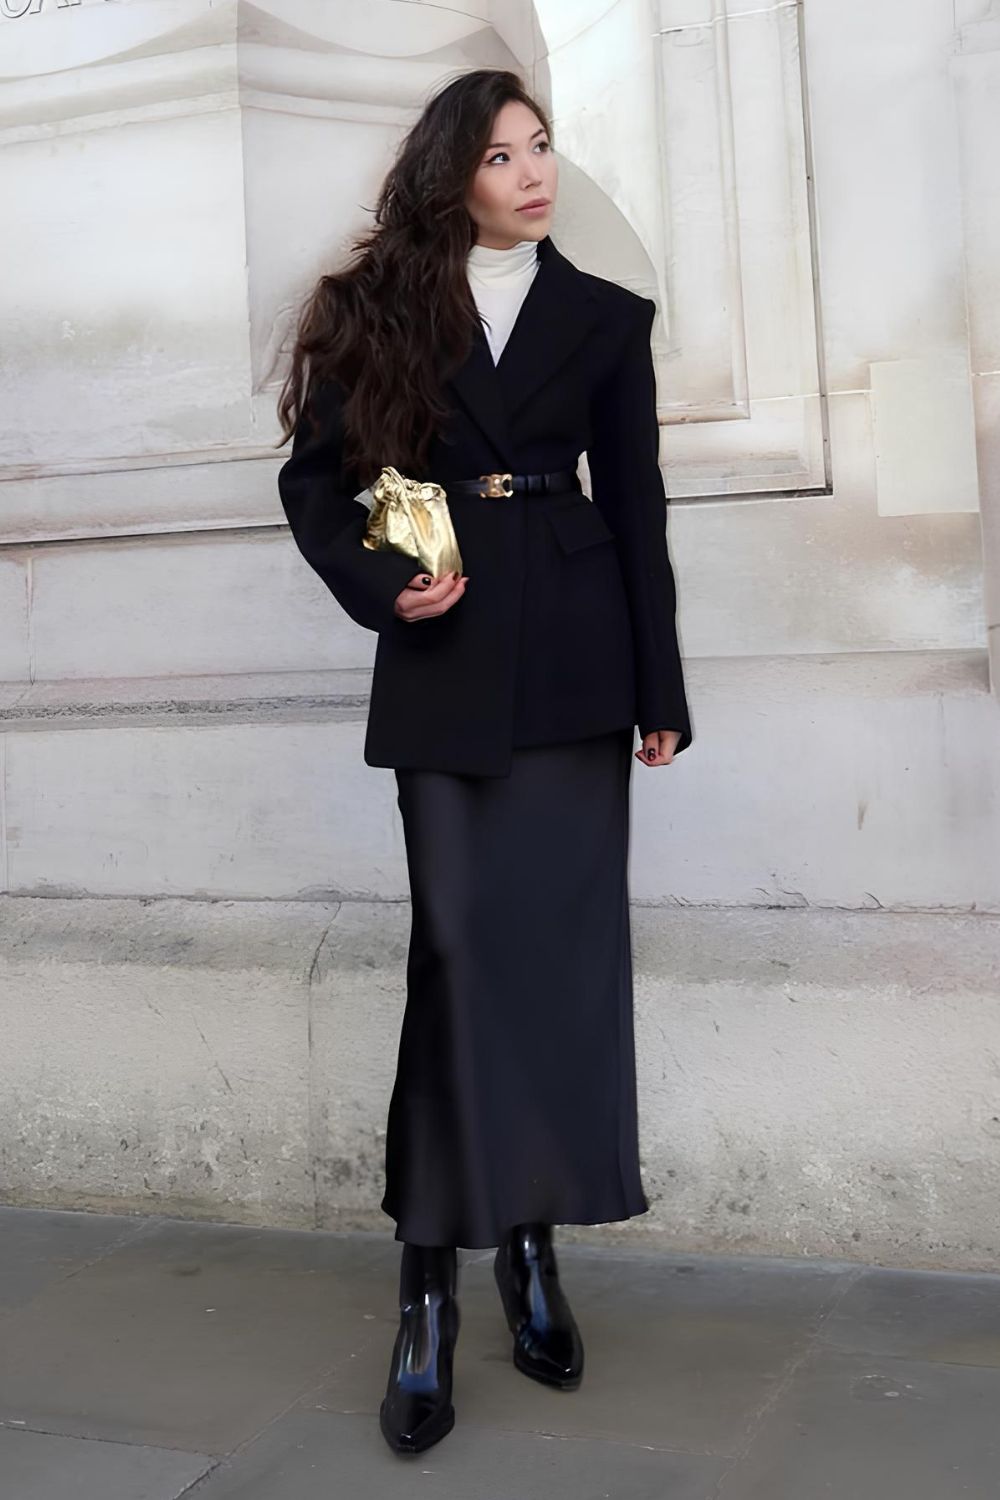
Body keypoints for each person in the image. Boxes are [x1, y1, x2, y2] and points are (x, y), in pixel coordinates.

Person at [275, 67, 692, 1458]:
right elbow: (318, 484)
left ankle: (528, 1246)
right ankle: (425, 1289)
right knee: (457, 962)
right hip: (446, 665)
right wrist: (381, 583)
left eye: (543, 146)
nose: (534, 172)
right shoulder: (374, 307)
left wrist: (660, 688)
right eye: (504, 153)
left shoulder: (606, 318)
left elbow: (640, 509)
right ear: (452, 169)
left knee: (554, 965)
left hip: (576, 665)